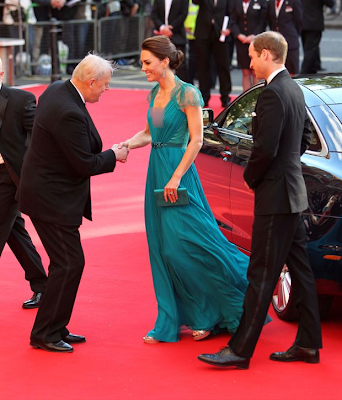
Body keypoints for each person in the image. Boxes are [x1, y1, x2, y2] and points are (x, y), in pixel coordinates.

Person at [118, 35, 257, 344]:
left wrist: (177, 176)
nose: (143, 69)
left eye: (147, 63)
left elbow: (196, 139)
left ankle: (226, 302)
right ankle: (182, 317)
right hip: (157, 172)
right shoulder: (155, 94)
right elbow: (148, 133)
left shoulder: (188, 95)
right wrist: (126, 144)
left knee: (191, 243)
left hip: (178, 174)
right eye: (142, 63)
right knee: (164, 249)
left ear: (165, 61)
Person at [198, 31, 322, 369]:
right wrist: (287, 168)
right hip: (292, 195)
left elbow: (264, 149)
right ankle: (309, 345)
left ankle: (240, 350)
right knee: (301, 272)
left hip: (276, 198)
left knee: (261, 274)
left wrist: (254, 178)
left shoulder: (272, 95)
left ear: (267, 54)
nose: (249, 63)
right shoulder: (294, 89)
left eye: (252, 56)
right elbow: (305, 140)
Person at [17, 53, 129, 353]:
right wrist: (114, 155)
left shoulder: (58, 88)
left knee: (65, 264)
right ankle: (45, 333)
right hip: (51, 199)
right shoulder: (69, 110)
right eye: (104, 86)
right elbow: (84, 163)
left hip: (46, 194)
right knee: (69, 264)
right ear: (90, 82)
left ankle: (54, 327)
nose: (105, 91)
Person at [0, 58, 47, 309]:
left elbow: (38, 137)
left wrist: (29, 173)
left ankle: (43, 287)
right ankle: (42, 285)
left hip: (10, 176)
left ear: (2, 73)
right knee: (14, 232)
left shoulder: (21, 100)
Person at [192, 0, 232, 108]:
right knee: (202, 65)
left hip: (221, 34)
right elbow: (195, 2)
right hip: (203, 32)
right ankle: (204, 96)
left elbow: (232, 12)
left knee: (223, 65)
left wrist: (229, 28)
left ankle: (225, 97)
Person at [229, 0, 267, 91]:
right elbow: (232, 21)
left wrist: (255, 35)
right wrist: (238, 35)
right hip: (241, 42)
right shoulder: (236, 2)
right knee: (245, 72)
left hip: (256, 41)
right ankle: (245, 99)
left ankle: (256, 98)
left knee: (255, 72)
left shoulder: (260, 2)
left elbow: (263, 21)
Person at [151, 0, 189, 82]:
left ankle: (183, 92)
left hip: (178, 35)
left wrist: (170, 29)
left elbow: (183, 13)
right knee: (161, 66)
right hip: (160, 36)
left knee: (180, 67)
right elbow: (154, 13)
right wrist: (162, 28)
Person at [267, 0, 303, 76]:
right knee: (276, 72)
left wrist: (293, 34)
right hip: (275, 43)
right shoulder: (271, 2)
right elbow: (270, 21)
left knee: (291, 72)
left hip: (290, 41)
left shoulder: (293, 2)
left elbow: (299, 20)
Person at [300, 0, 335, 74]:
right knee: (311, 49)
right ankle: (304, 72)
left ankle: (315, 65)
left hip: (302, 21)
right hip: (314, 22)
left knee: (307, 46)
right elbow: (331, 3)